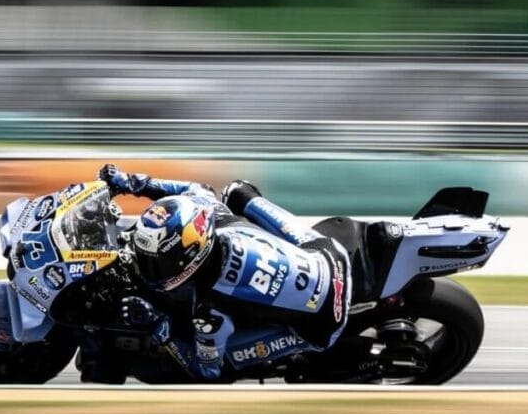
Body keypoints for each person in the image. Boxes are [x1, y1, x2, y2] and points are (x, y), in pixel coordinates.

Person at [98, 163, 352, 381]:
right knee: (237, 191)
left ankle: (295, 351)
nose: (150, 268)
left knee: (226, 362)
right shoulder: (208, 210)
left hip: (324, 321)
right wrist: (132, 183)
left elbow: (207, 371)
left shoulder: (208, 308)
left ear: (188, 256)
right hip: (326, 252)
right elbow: (191, 191)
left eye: (158, 262)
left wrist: (159, 327)